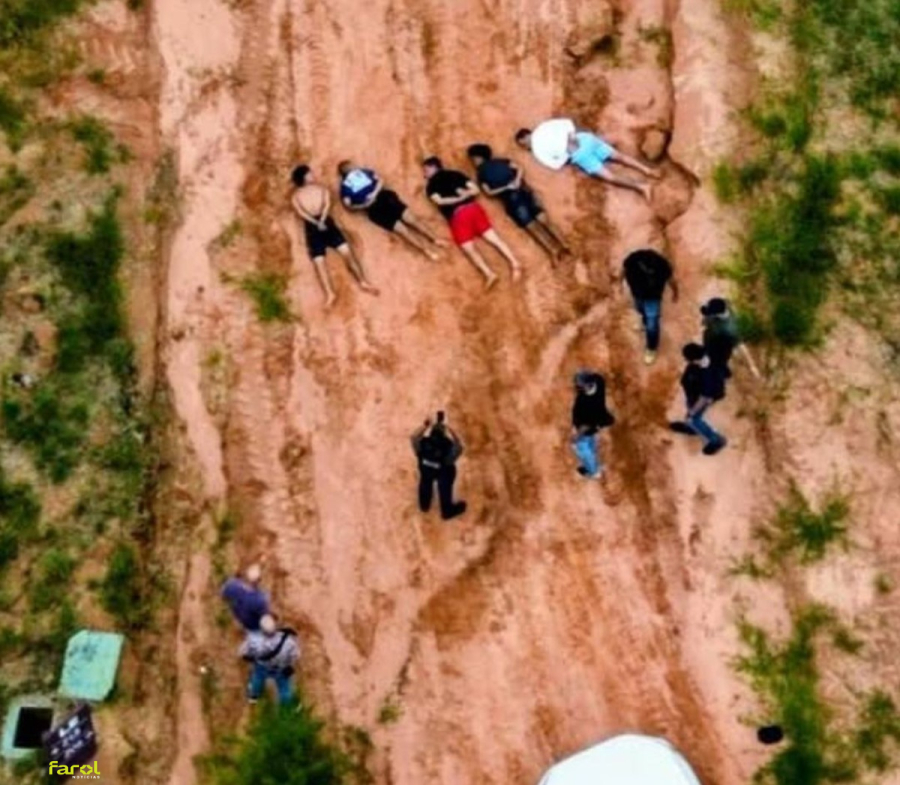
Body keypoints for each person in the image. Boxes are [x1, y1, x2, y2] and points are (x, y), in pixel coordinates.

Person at [422, 156, 522, 288]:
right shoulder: (456, 174)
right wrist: (464, 196)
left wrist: (457, 199)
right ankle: (515, 262)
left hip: (458, 216)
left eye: (426, 170)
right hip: (474, 208)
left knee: (467, 247)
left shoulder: (431, 185)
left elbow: (439, 201)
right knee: (493, 238)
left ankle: (489, 273)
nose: (424, 174)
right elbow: (475, 190)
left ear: (433, 167)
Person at [466, 143, 570, 264]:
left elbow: (488, 192)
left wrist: (506, 188)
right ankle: (564, 244)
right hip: (524, 191)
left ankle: (553, 251)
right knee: (543, 219)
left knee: (531, 226)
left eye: (473, 159)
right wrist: (516, 181)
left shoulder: (481, 174)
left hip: (512, 201)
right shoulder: (502, 161)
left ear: (478, 157)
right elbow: (519, 168)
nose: (473, 162)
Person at [291, 165, 379, 308]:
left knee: (340, 254)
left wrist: (317, 221)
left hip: (315, 225)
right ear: (304, 177)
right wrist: (321, 220)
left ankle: (357, 283)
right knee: (322, 261)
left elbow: (309, 211)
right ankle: (337, 291)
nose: (313, 175)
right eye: (310, 174)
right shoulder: (312, 192)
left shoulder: (304, 194)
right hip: (321, 223)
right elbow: (320, 207)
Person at [515, 119, 658, 200]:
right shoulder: (543, 126)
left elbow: (555, 165)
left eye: (523, 145)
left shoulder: (538, 151)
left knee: (611, 177)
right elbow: (567, 123)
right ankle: (647, 170)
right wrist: (571, 137)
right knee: (618, 157)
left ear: (524, 139)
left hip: (579, 154)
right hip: (584, 139)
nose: (526, 147)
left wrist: (567, 153)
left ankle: (642, 186)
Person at [337, 160, 445, 261]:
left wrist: (372, 195)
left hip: (383, 199)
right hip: (375, 208)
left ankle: (435, 239)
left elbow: (380, 180)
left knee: (411, 220)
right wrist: (365, 205)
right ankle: (427, 250)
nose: (354, 166)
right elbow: (348, 205)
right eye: (351, 166)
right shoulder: (345, 186)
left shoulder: (364, 173)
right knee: (403, 230)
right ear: (346, 170)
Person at [623, 248, 679, 365]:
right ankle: (644, 322)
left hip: (653, 299)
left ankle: (651, 348)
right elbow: (623, 270)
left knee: (652, 325)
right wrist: (619, 283)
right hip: (637, 295)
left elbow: (671, 280)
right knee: (640, 309)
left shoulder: (662, 266)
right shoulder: (633, 261)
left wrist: (675, 293)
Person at [670, 343, 727, 455]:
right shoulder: (706, 356)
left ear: (695, 359)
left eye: (688, 359)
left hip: (702, 397)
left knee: (693, 418)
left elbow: (704, 397)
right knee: (691, 411)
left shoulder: (707, 374)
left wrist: (693, 412)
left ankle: (716, 440)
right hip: (695, 392)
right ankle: (691, 427)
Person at [411, 412, 467, 520]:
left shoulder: (423, 444)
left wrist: (425, 426)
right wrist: (451, 430)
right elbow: (459, 447)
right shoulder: (447, 447)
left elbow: (413, 437)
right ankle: (447, 511)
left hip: (426, 472)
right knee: (449, 473)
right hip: (442, 474)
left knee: (425, 480)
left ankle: (424, 505)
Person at [240, 613, 300, 705]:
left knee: (257, 679)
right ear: (275, 626)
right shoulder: (288, 641)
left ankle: (253, 697)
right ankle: (286, 706)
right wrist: (289, 664)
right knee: (284, 687)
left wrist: (251, 658)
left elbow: (244, 653)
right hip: (281, 668)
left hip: (262, 666)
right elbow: (296, 655)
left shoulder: (254, 640)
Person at [700, 297, 760, 384]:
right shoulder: (725, 303)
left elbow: (742, 347)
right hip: (712, 334)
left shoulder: (729, 330)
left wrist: (752, 366)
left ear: (717, 315)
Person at [571, 370, 615, 479]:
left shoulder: (582, 401)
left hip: (590, 426)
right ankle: (594, 462)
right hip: (601, 419)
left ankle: (593, 471)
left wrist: (576, 436)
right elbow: (595, 375)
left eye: (580, 385)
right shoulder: (599, 381)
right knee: (591, 441)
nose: (578, 387)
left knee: (582, 448)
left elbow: (585, 426)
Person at [221, 564, 270, 631]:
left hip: (240, 618)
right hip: (253, 627)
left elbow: (223, 593)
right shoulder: (260, 599)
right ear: (259, 581)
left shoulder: (233, 585)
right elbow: (265, 618)